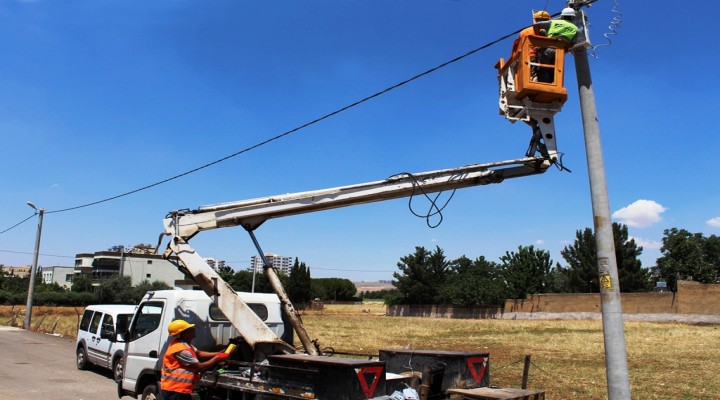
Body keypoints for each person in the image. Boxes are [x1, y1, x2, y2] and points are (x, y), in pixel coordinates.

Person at [160, 319, 230, 400]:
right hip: (175, 390)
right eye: (190, 329)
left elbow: (200, 353)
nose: (193, 329)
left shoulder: (184, 344)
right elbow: (200, 367)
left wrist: (218, 353)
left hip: (178, 389)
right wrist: (218, 358)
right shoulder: (181, 350)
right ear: (183, 334)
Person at [533, 7, 579, 82]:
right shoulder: (575, 28)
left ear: (562, 16)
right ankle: (552, 83)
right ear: (572, 17)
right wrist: (565, 49)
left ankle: (544, 83)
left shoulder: (554, 22)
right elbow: (572, 44)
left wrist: (539, 38)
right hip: (559, 51)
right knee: (555, 69)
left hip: (547, 48)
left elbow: (536, 25)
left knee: (544, 68)